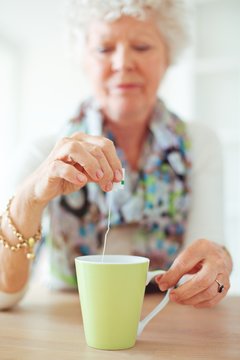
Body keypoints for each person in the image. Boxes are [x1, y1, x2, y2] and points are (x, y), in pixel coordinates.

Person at [0, 0, 232, 310]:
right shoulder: (42, 154)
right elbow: (4, 296)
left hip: (164, 324)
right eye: (104, 49)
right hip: (67, 325)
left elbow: (205, 263)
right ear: (84, 60)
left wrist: (220, 261)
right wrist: (29, 197)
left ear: (168, 57)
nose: (123, 63)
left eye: (142, 46)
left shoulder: (199, 144)